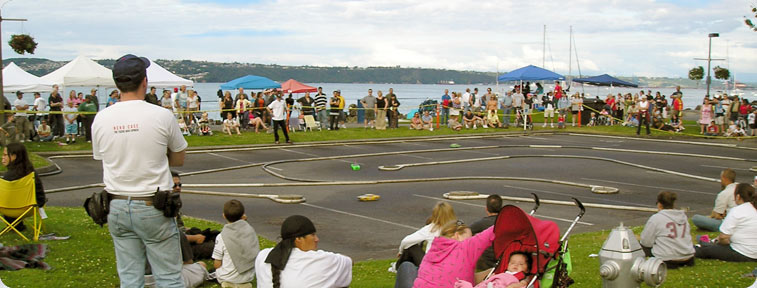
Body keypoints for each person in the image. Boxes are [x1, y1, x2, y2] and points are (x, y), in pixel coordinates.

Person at [92, 54, 188, 287]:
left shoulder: (101, 118)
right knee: (169, 277)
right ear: (144, 82)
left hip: (116, 204)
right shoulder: (161, 115)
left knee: (130, 278)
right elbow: (179, 158)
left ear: (117, 85)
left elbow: (103, 156)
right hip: (151, 204)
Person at [256, 215, 352, 288]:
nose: (316, 239)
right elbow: (348, 261)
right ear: (298, 239)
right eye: (313, 235)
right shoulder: (321, 260)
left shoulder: (263, 256)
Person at [406, 220, 495, 288]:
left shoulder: (434, 249)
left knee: (407, 267)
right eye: (469, 236)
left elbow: (453, 275)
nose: (471, 239)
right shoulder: (465, 247)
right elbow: (496, 229)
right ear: (457, 235)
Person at [394, 202, 456, 287]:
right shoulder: (458, 228)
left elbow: (406, 241)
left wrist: (400, 251)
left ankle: (398, 267)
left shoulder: (431, 228)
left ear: (434, 214)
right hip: (453, 265)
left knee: (411, 247)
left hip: (431, 267)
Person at [695, 184, 757, 262]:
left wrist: (720, 243)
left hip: (743, 252)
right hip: (753, 252)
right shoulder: (753, 209)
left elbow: (723, 238)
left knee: (706, 250)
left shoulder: (737, 210)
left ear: (738, 197)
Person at [640, 191, 695, 268]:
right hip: (688, 258)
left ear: (659, 204)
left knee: (638, 247)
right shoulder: (683, 217)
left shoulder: (656, 218)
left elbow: (646, 242)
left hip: (668, 259)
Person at [213, 200, 260, 287]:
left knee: (214, 270)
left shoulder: (222, 236)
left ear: (224, 215)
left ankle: (228, 282)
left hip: (227, 277)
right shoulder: (250, 231)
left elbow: (217, 264)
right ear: (243, 215)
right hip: (248, 277)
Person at [1, 143, 47, 232]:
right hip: (32, 207)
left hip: (10, 209)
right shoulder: (31, 173)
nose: (3, 157)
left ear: (14, 156)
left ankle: (15, 226)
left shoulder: (9, 177)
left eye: (5, 155)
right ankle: (17, 226)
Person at [455, 252, 531, 288]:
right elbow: (494, 279)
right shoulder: (503, 273)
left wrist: (514, 286)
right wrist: (491, 278)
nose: (516, 265)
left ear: (527, 270)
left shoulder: (522, 277)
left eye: (521, 264)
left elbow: (522, 285)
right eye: (512, 263)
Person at [470, 195, 502, 271]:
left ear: (486, 209)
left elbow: (466, 232)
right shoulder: (506, 222)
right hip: (502, 259)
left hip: (486, 261)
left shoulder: (482, 223)